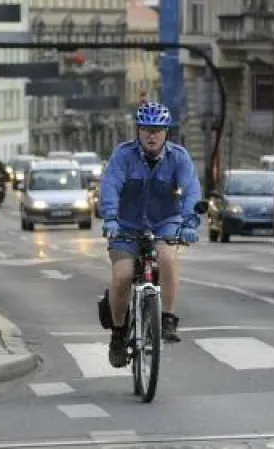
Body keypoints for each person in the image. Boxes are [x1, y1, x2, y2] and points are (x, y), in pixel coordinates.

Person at [98, 101, 202, 368]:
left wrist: (190, 223)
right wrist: (110, 218)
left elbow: (191, 192)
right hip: (125, 224)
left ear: (167, 132)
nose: (152, 135)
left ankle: (167, 318)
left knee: (167, 257)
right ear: (138, 131)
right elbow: (110, 187)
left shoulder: (178, 157)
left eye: (157, 130)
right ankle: (118, 334)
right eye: (146, 129)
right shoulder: (123, 155)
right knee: (121, 276)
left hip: (165, 221)